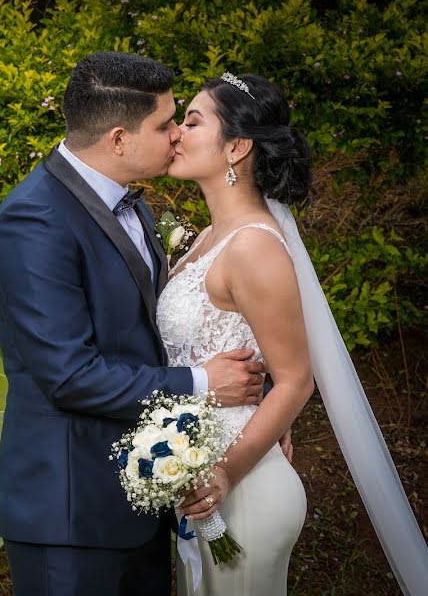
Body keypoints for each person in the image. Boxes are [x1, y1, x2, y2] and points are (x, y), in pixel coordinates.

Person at [0, 52, 268, 596]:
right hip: (71, 515)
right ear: (118, 139)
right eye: (164, 125)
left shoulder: (133, 207)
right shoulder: (34, 222)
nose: (177, 136)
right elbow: (68, 376)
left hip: (147, 497)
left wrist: (262, 414)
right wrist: (204, 384)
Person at [161, 72, 428, 596]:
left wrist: (223, 475)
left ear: (236, 147)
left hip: (244, 492)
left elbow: (296, 380)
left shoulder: (254, 246)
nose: (176, 133)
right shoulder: (213, 236)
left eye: (192, 122)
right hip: (196, 478)